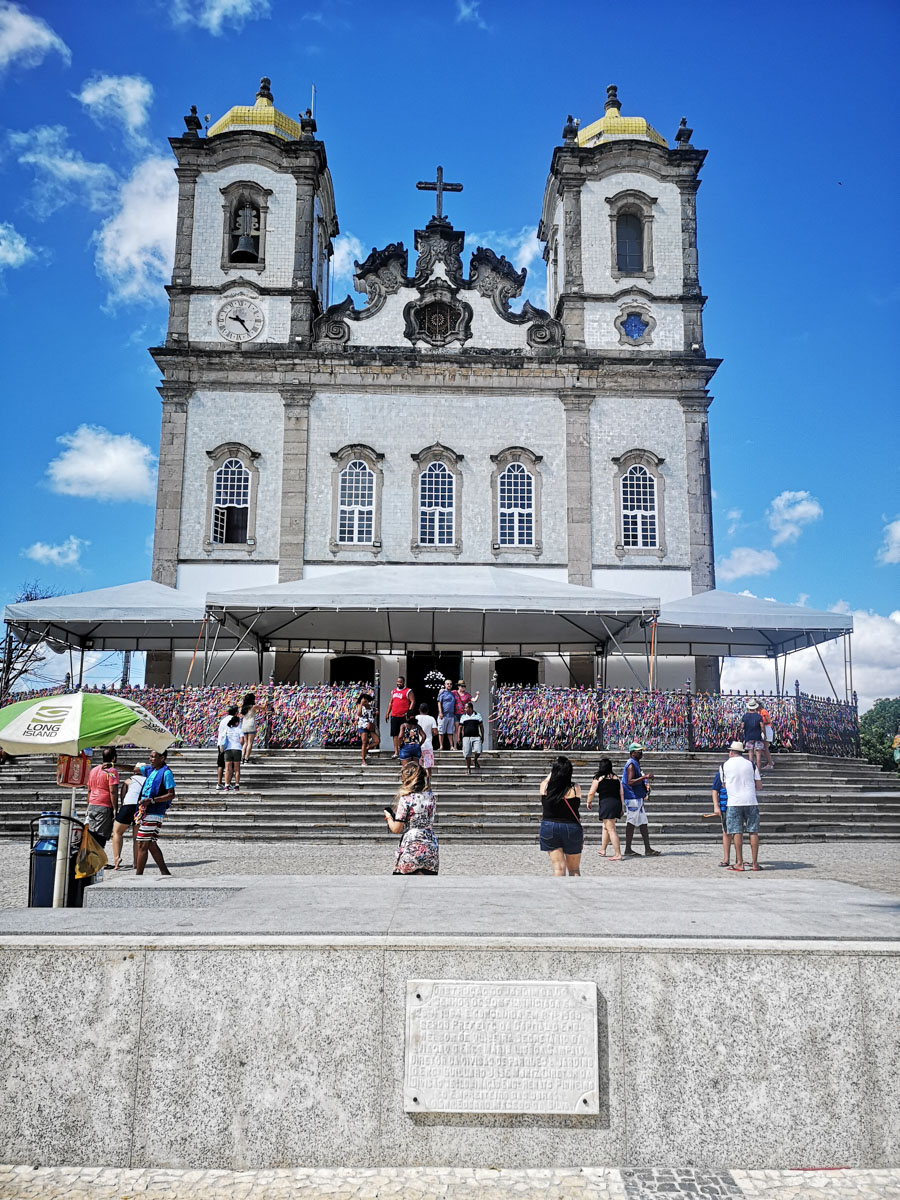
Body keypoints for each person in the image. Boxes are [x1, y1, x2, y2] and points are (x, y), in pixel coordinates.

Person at [119, 750, 176, 877]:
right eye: (150, 756)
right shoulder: (150, 769)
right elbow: (133, 769)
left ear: (162, 758)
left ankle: (138, 875)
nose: (150, 759)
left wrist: (153, 800)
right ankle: (165, 872)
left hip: (154, 812)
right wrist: (114, 765)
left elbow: (171, 794)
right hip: (145, 811)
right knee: (150, 843)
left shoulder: (166, 773)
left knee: (142, 843)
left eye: (153, 757)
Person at [384, 760, 439, 875]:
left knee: (401, 882)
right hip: (430, 846)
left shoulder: (406, 799)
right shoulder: (431, 796)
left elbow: (396, 829)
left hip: (411, 846)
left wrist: (389, 817)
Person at [721, 740, 762, 872]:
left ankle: (739, 863)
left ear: (731, 752)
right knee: (753, 831)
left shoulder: (724, 766)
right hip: (751, 800)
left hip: (734, 801)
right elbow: (759, 786)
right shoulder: (751, 765)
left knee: (736, 831)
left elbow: (724, 785)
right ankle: (755, 863)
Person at [538, 755, 583, 876]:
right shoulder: (575, 788)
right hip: (571, 827)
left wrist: (554, 770)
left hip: (549, 826)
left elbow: (546, 781)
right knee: (574, 869)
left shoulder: (545, 787)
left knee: (558, 868)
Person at [622, 742, 661, 857]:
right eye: (639, 752)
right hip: (632, 798)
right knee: (631, 822)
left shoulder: (635, 763)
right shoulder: (631, 765)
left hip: (637, 797)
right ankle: (628, 849)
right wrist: (645, 777)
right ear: (633, 753)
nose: (641, 753)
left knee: (643, 823)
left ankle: (648, 848)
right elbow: (630, 781)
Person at [586, 756, 623, 861]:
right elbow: (621, 793)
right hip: (616, 803)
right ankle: (603, 849)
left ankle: (618, 854)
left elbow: (591, 792)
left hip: (606, 804)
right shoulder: (616, 778)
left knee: (611, 829)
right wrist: (622, 806)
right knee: (605, 827)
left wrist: (588, 802)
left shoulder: (598, 778)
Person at [110, 764, 145, 870]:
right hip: (140, 807)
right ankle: (136, 862)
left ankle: (117, 859)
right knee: (136, 837)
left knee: (117, 832)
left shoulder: (129, 780)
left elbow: (123, 795)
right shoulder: (148, 780)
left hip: (128, 805)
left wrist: (121, 809)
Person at [84, 747, 119, 848]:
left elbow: (89, 790)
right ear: (114, 758)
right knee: (100, 837)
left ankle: (91, 856)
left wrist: (88, 806)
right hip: (104, 805)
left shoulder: (93, 770)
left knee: (91, 835)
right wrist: (115, 808)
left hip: (92, 804)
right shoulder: (112, 771)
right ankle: (97, 857)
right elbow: (113, 791)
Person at [385, 676, 415, 759]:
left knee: (404, 734)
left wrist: (409, 712)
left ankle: (403, 750)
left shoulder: (408, 691)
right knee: (394, 734)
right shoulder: (393, 691)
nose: (399, 683)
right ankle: (396, 752)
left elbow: (412, 701)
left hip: (403, 716)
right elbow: (390, 703)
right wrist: (387, 713)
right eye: (398, 682)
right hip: (394, 715)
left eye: (400, 682)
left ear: (403, 682)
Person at [711, 762, 732, 867]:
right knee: (726, 832)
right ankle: (726, 858)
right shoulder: (722, 772)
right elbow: (715, 789)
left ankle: (739, 859)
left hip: (738, 804)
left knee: (738, 833)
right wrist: (716, 806)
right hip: (725, 805)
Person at [217, 706, 243, 791]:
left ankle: (220, 783)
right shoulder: (235, 721)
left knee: (221, 764)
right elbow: (240, 738)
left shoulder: (223, 720)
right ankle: (230, 783)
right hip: (233, 747)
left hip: (222, 745)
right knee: (233, 767)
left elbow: (219, 732)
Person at [459, 701, 484, 775]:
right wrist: (458, 738)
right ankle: (468, 769)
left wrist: (483, 736)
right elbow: (460, 727)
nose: (464, 709)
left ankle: (475, 760)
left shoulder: (478, 715)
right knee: (467, 754)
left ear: (470, 708)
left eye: (466, 708)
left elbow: (481, 726)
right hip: (466, 737)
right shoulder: (463, 717)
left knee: (478, 751)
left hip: (476, 736)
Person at [741, 699, 766, 773]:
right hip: (757, 737)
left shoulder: (745, 716)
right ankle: (758, 772)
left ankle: (751, 771)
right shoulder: (758, 716)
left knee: (750, 754)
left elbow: (742, 726)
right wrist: (764, 734)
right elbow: (762, 726)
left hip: (749, 737)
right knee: (758, 754)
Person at [453, 679, 480, 748]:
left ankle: (464, 745)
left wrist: (477, 695)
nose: (463, 687)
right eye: (461, 686)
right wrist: (442, 690)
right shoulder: (454, 693)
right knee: (456, 729)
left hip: (464, 714)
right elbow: (447, 693)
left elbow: (474, 700)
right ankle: (455, 746)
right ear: (458, 686)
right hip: (456, 713)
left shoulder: (467, 695)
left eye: (464, 686)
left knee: (463, 730)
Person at [415, 702, 437, 782]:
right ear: (427, 710)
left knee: (417, 767)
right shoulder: (431, 719)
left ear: (419, 710)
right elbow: (435, 732)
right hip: (428, 745)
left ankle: (418, 782)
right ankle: (428, 784)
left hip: (417, 745)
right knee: (428, 767)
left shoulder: (416, 718)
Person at [356, 693, 379, 766]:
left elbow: (373, 715)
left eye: (366, 701)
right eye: (364, 700)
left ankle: (366, 749)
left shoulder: (371, 707)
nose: (365, 702)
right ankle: (363, 760)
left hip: (370, 726)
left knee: (377, 741)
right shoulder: (361, 707)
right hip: (363, 726)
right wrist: (361, 704)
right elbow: (359, 714)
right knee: (364, 742)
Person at [437, 679, 457, 751]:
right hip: (443, 715)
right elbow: (439, 702)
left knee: (450, 732)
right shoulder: (442, 692)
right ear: (445, 685)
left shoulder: (453, 693)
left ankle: (451, 746)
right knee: (441, 731)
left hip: (451, 715)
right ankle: (441, 746)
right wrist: (440, 712)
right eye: (447, 684)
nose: (449, 685)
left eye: (450, 684)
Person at [240, 693, 258, 764]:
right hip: (251, 725)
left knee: (245, 743)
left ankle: (242, 757)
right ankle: (247, 758)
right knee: (250, 743)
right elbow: (263, 708)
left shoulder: (243, 708)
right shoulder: (253, 706)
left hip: (244, 725)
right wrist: (266, 703)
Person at [758, 704, 775, 770]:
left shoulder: (763, 711)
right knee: (762, 748)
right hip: (765, 729)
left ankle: (770, 763)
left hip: (767, 729)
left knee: (765, 748)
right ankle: (769, 761)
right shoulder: (761, 712)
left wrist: (760, 723)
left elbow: (768, 721)